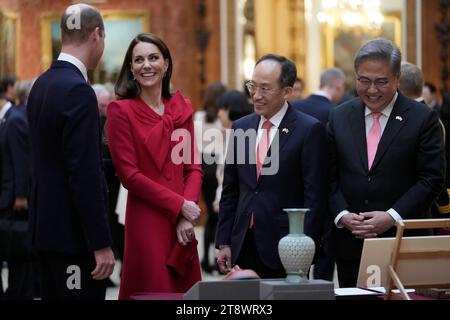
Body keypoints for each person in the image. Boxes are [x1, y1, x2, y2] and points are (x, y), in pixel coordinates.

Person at [328, 38, 445, 287]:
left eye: (381, 81)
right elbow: (328, 175)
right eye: (364, 81)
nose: (372, 90)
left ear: (397, 78)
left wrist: (392, 216)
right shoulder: (339, 116)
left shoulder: (423, 119)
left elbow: (431, 179)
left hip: (404, 242)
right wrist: (342, 214)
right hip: (351, 244)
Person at [26, 4, 115, 300]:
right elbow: (84, 173)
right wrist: (100, 242)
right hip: (74, 241)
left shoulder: (41, 84)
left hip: (45, 232)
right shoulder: (78, 90)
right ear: (97, 34)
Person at [106, 32, 203, 299]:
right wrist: (179, 206)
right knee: (155, 289)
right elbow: (130, 176)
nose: (146, 65)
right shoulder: (120, 112)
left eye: (153, 58)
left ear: (166, 64)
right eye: (138, 60)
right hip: (147, 219)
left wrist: (186, 213)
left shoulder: (181, 108)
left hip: (183, 221)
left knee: (188, 296)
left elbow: (193, 167)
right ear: (131, 69)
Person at [215, 54, 328, 278]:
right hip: (243, 242)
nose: (256, 95)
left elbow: (314, 196)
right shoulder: (241, 127)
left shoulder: (309, 130)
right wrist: (224, 241)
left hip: (287, 246)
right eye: (252, 86)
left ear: (287, 91)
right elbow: (232, 190)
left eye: (265, 89)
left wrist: (307, 249)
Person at [291, 67, 346, 282]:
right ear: (339, 86)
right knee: (324, 250)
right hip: (325, 192)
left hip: (293, 190)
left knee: (295, 247)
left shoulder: (294, 107)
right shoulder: (337, 113)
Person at [0, 80, 33, 299]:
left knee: (18, 256)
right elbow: (15, 160)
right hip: (10, 197)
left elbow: (20, 160)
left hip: (13, 197)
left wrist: (21, 195)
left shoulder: (15, 119)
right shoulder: (12, 119)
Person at [193, 81, 226, 274]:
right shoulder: (222, 119)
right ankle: (215, 258)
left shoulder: (198, 116)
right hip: (218, 165)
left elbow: (195, 144)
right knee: (218, 215)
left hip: (203, 165)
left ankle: (206, 258)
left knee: (211, 216)